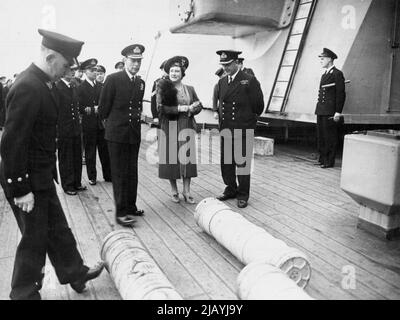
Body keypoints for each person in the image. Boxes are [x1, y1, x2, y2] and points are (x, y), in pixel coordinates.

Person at [0, 29, 104, 300]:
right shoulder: (27, 86)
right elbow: (12, 142)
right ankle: (23, 293)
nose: (69, 70)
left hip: (40, 174)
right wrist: (20, 188)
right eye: (66, 64)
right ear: (49, 56)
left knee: (57, 227)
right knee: (34, 237)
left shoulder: (43, 82)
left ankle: (75, 273)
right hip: (26, 178)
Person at [99, 44, 146, 227]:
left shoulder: (140, 83)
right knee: (119, 174)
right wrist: (111, 126)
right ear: (125, 60)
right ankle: (120, 213)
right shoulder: (113, 79)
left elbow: (137, 107)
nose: (136, 64)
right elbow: (103, 109)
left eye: (139, 61)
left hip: (133, 134)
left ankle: (131, 206)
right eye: (133, 61)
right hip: (117, 134)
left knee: (131, 172)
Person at [214, 50, 264, 209]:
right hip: (226, 129)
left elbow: (258, 106)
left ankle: (243, 194)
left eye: (228, 64)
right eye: (223, 65)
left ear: (236, 62)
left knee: (242, 164)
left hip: (243, 129)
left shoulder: (249, 81)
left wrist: (248, 121)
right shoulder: (222, 82)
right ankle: (230, 188)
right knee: (227, 163)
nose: (226, 68)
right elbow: (221, 105)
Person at [156, 56, 202, 204]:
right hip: (170, 125)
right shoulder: (162, 88)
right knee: (172, 159)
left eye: (177, 71)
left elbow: (198, 104)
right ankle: (174, 190)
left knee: (187, 158)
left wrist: (195, 108)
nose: (174, 73)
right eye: (171, 71)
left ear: (182, 73)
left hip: (186, 125)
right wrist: (182, 108)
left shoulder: (190, 89)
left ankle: (187, 191)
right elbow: (160, 108)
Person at [77, 58, 111, 185]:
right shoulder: (80, 88)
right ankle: (92, 177)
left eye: (96, 70)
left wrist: (100, 109)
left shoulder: (101, 87)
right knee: (90, 152)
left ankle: (108, 175)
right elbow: (78, 106)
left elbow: (106, 102)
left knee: (105, 151)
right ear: (86, 71)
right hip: (88, 124)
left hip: (101, 124)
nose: (95, 72)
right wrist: (92, 109)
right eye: (92, 70)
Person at [56, 66, 87, 196]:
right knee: (66, 158)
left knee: (76, 156)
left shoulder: (72, 86)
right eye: (70, 69)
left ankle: (76, 182)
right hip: (64, 129)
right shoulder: (57, 87)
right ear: (63, 71)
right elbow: (55, 110)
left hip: (75, 128)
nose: (73, 72)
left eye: (74, 70)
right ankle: (68, 185)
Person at [315, 48, 346, 169]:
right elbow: (320, 93)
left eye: (323, 59)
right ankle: (322, 158)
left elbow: (341, 94)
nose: (321, 61)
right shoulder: (324, 75)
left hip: (330, 111)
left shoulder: (337, 74)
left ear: (330, 59)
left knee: (330, 136)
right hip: (321, 109)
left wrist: (338, 111)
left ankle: (329, 161)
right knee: (321, 135)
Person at [150, 60, 168, 127]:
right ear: (162, 69)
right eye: (165, 69)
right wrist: (155, 116)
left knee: (173, 136)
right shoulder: (157, 82)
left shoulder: (176, 82)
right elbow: (153, 100)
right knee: (161, 136)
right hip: (161, 116)